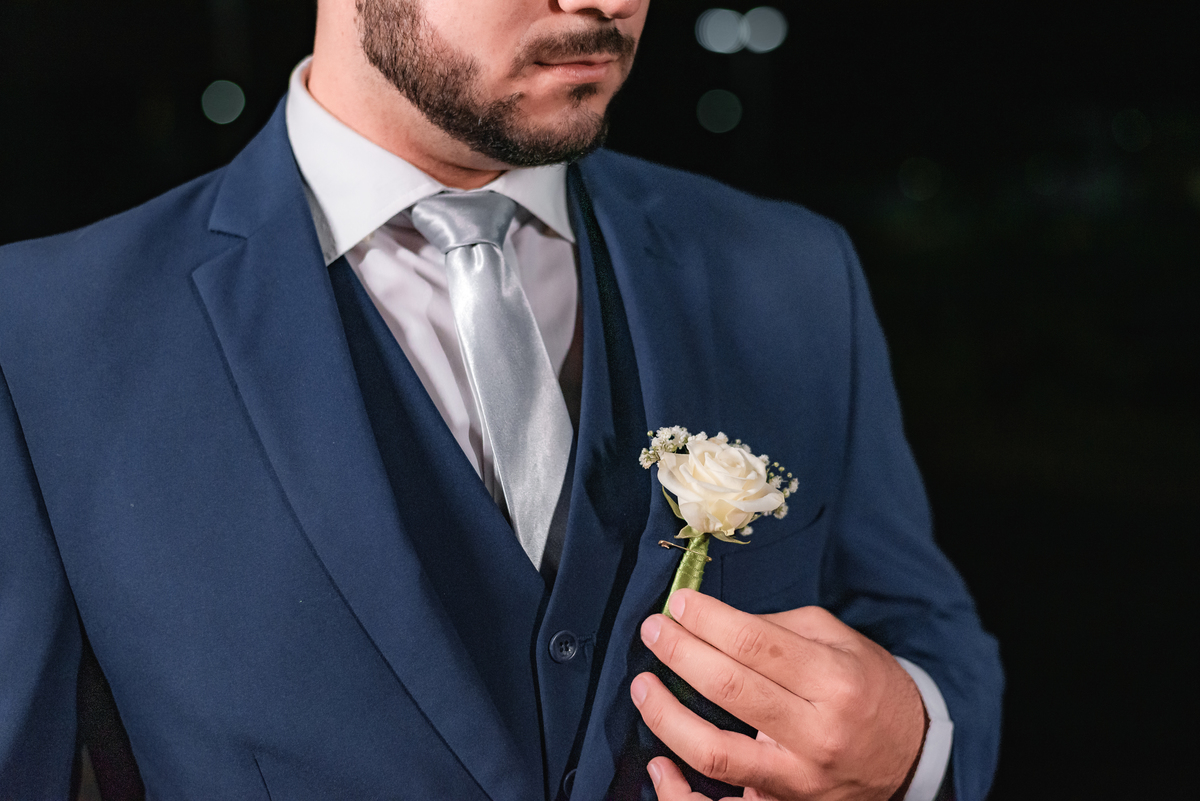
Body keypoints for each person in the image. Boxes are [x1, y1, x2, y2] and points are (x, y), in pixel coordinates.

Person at [0, 0, 1002, 799]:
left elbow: (920, 629)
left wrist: (910, 747)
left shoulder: (790, 271)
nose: (606, 3)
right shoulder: (45, 335)